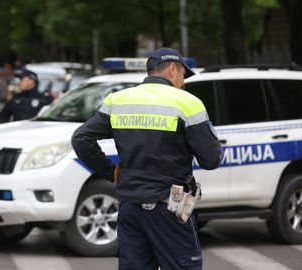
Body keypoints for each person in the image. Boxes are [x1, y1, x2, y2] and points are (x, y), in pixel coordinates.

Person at [71, 47, 223, 270]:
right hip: (169, 208)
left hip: (130, 208)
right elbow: (212, 159)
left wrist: (110, 172)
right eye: (183, 75)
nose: (184, 83)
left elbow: (81, 139)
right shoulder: (186, 102)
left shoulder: (118, 100)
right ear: (172, 70)